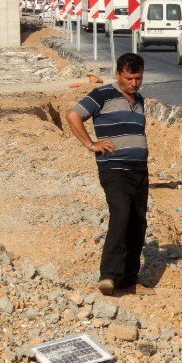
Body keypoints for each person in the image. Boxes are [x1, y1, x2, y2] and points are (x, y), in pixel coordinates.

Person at [66, 52, 150, 296]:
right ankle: (109, 276)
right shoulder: (102, 95)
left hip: (138, 170)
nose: (134, 83)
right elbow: (73, 115)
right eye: (129, 78)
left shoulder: (139, 100)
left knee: (138, 222)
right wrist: (91, 144)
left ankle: (129, 280)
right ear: (117, 75)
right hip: (114, 168)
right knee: (121, 215)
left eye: (138, 78)